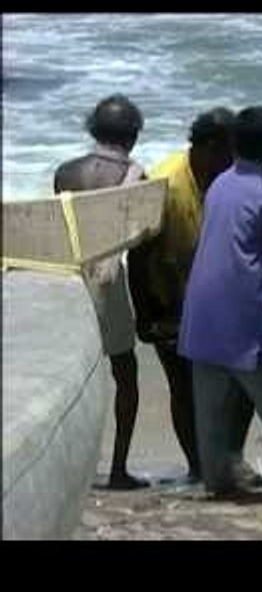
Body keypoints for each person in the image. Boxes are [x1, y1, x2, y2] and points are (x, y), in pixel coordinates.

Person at [178, 106, 262, 500]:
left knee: (210, 413)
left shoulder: (216, 186)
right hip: (245, 318)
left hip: (200, 314)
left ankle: (217, 484)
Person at [127, 108, 257, 485]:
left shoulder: (228, 179)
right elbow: (138, 255)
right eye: (231, 152)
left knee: (245, 383)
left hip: (218, 300)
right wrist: (145, 316)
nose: (236, 162)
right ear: (210, 147)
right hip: (170, 303)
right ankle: (199, 468)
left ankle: (230, 458)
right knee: (183, 389)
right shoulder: (164, 184)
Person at [53, 94, 148, 490]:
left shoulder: (65, 171)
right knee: (125, 374)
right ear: (133, 135)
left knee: (67, 379)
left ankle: (64, 468)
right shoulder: (136, 176)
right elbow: (141, 241)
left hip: (65, 281)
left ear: (93, 128)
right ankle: (118, 469)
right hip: (109, 282)